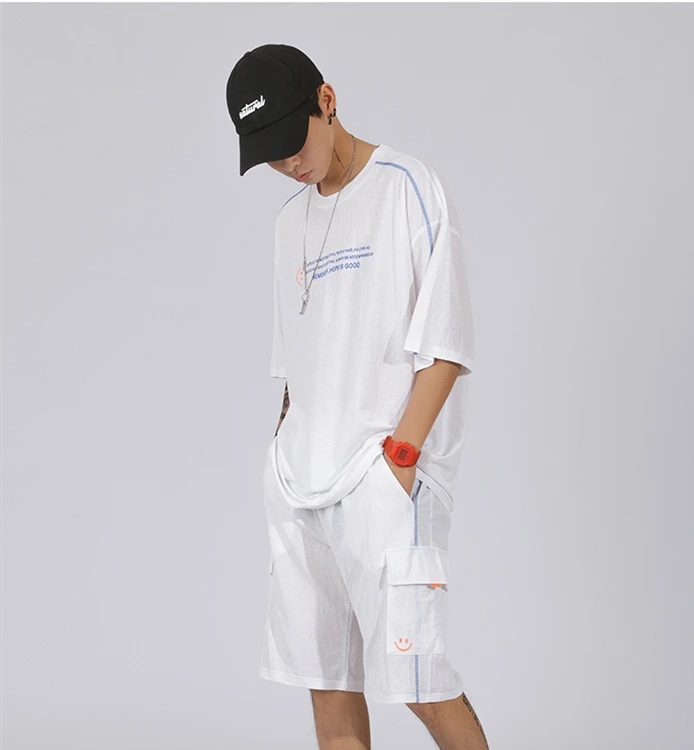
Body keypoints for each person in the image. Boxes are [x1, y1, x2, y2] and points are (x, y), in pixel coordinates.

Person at [226, 44, 489, 750]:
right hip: (300, 485)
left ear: (327, 100)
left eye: (293, 140)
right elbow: (296, 363)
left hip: (383, 477)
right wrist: (280, 453)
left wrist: (400, 462)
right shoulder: (288, 223)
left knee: (422, 683)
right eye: (269, 153)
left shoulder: (407, 186)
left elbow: (446, 342)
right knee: (329, 689)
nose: (288, 162)